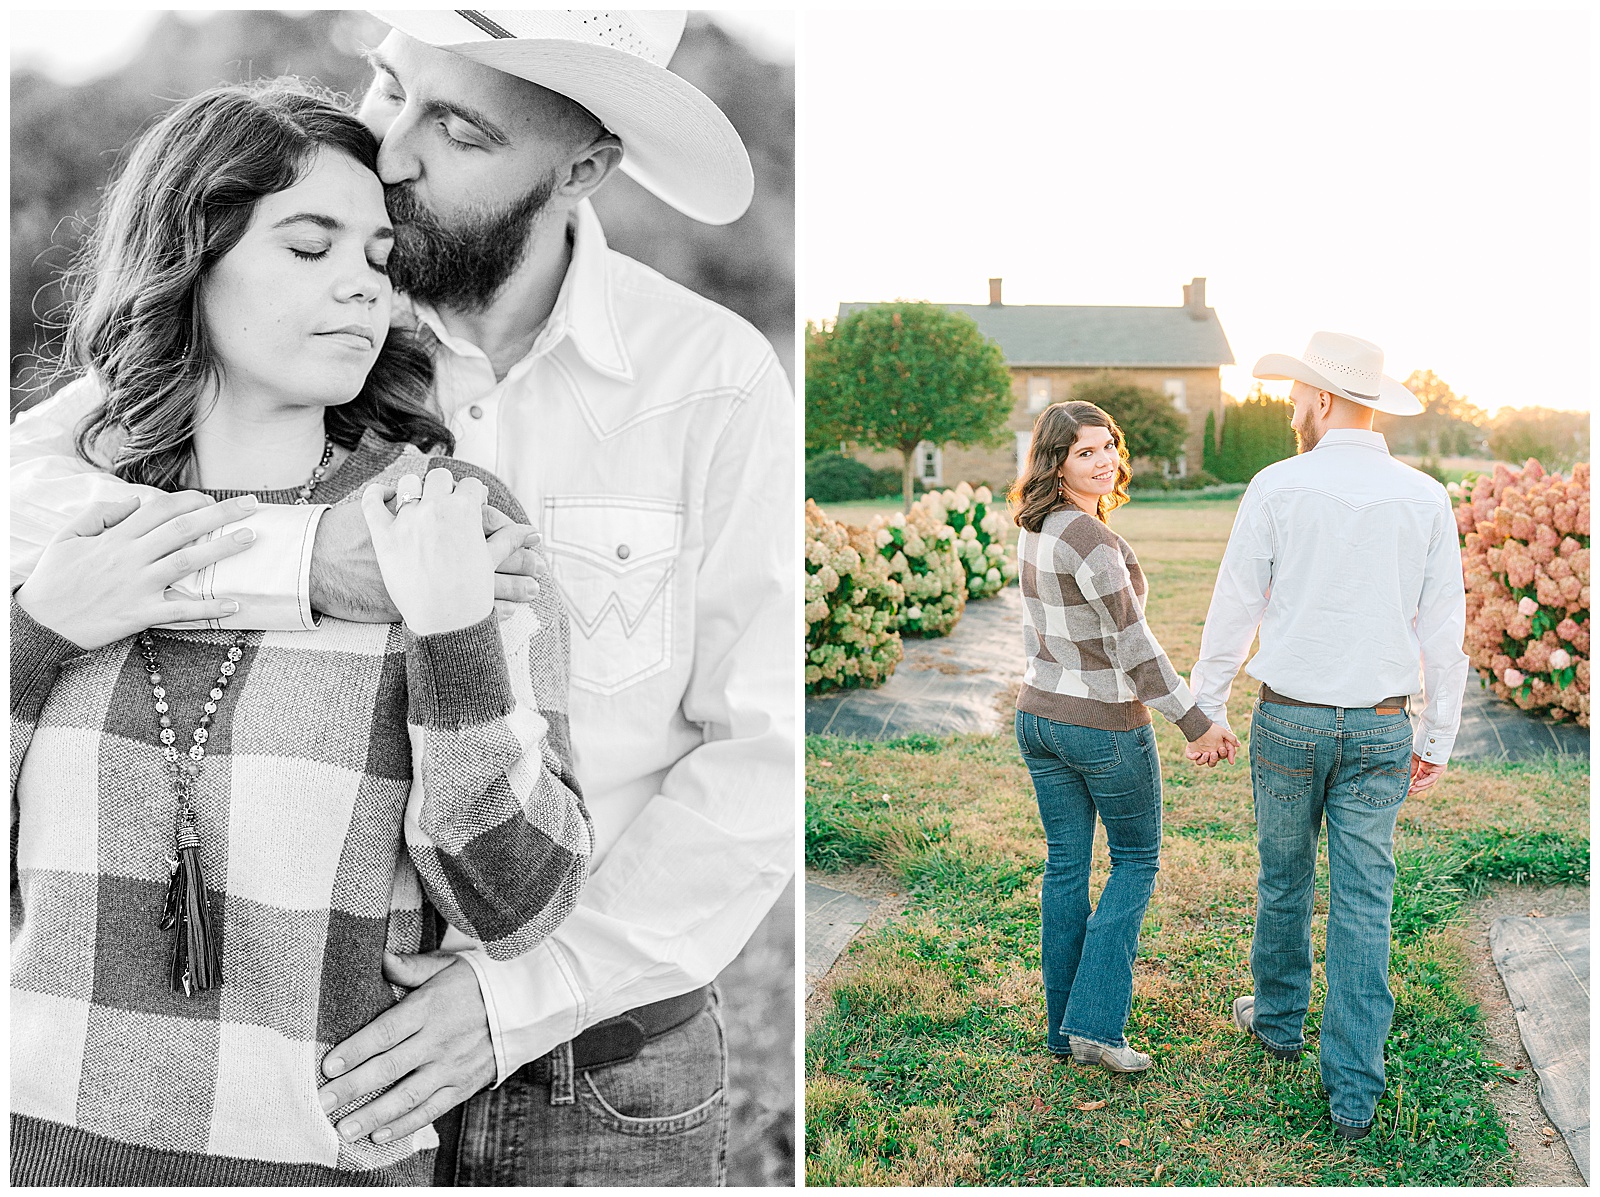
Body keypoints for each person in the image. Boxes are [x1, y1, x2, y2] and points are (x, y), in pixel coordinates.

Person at [9, 11, 795, 1186]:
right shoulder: (297, 313)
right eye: (389, 86)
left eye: (459, 131)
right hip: (299, 1057)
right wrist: (301, 561)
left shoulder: (710, 378)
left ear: (582, 167)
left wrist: (516, 998)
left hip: (595, 1060)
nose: (392, 148)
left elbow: (764, 755)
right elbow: (30, 499)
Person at [8, 83, 592, 1186]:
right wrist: (34, 639)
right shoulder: (58, 524)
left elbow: (518, 902)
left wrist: (454, 636)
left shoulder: (446, 521)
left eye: (378, 256)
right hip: (38, 1150)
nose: (362, 285)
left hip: (315, 1164)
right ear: (188, 258)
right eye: (309, 246)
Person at [1188, 331, 1468, 1139]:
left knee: (1284, 880)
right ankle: (1352, 1094)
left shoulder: (1277, 485)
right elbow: (1444, 630)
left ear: (1321, 398)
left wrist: (1208, 705)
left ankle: (1279, 1022)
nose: (1290, 409)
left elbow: (1235, 605)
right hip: (1382, 726)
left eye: (1295, 396)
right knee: (1364, 902)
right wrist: (1438, 736)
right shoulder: (1425, 496)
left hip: (1289, 718)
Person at [1008, 401, 1239, 1074]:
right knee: (1136, 860)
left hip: (1038, 716)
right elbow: (1134, 647)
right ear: (1055, 462)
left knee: (1066, 866)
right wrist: (1196, 722)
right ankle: (1095, 1026)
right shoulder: (1090, 540)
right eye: (1085, 452)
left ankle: (1063, 1030)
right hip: (1101, 725)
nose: (1104, 460)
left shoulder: (1036, 527)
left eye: (1108, 445)